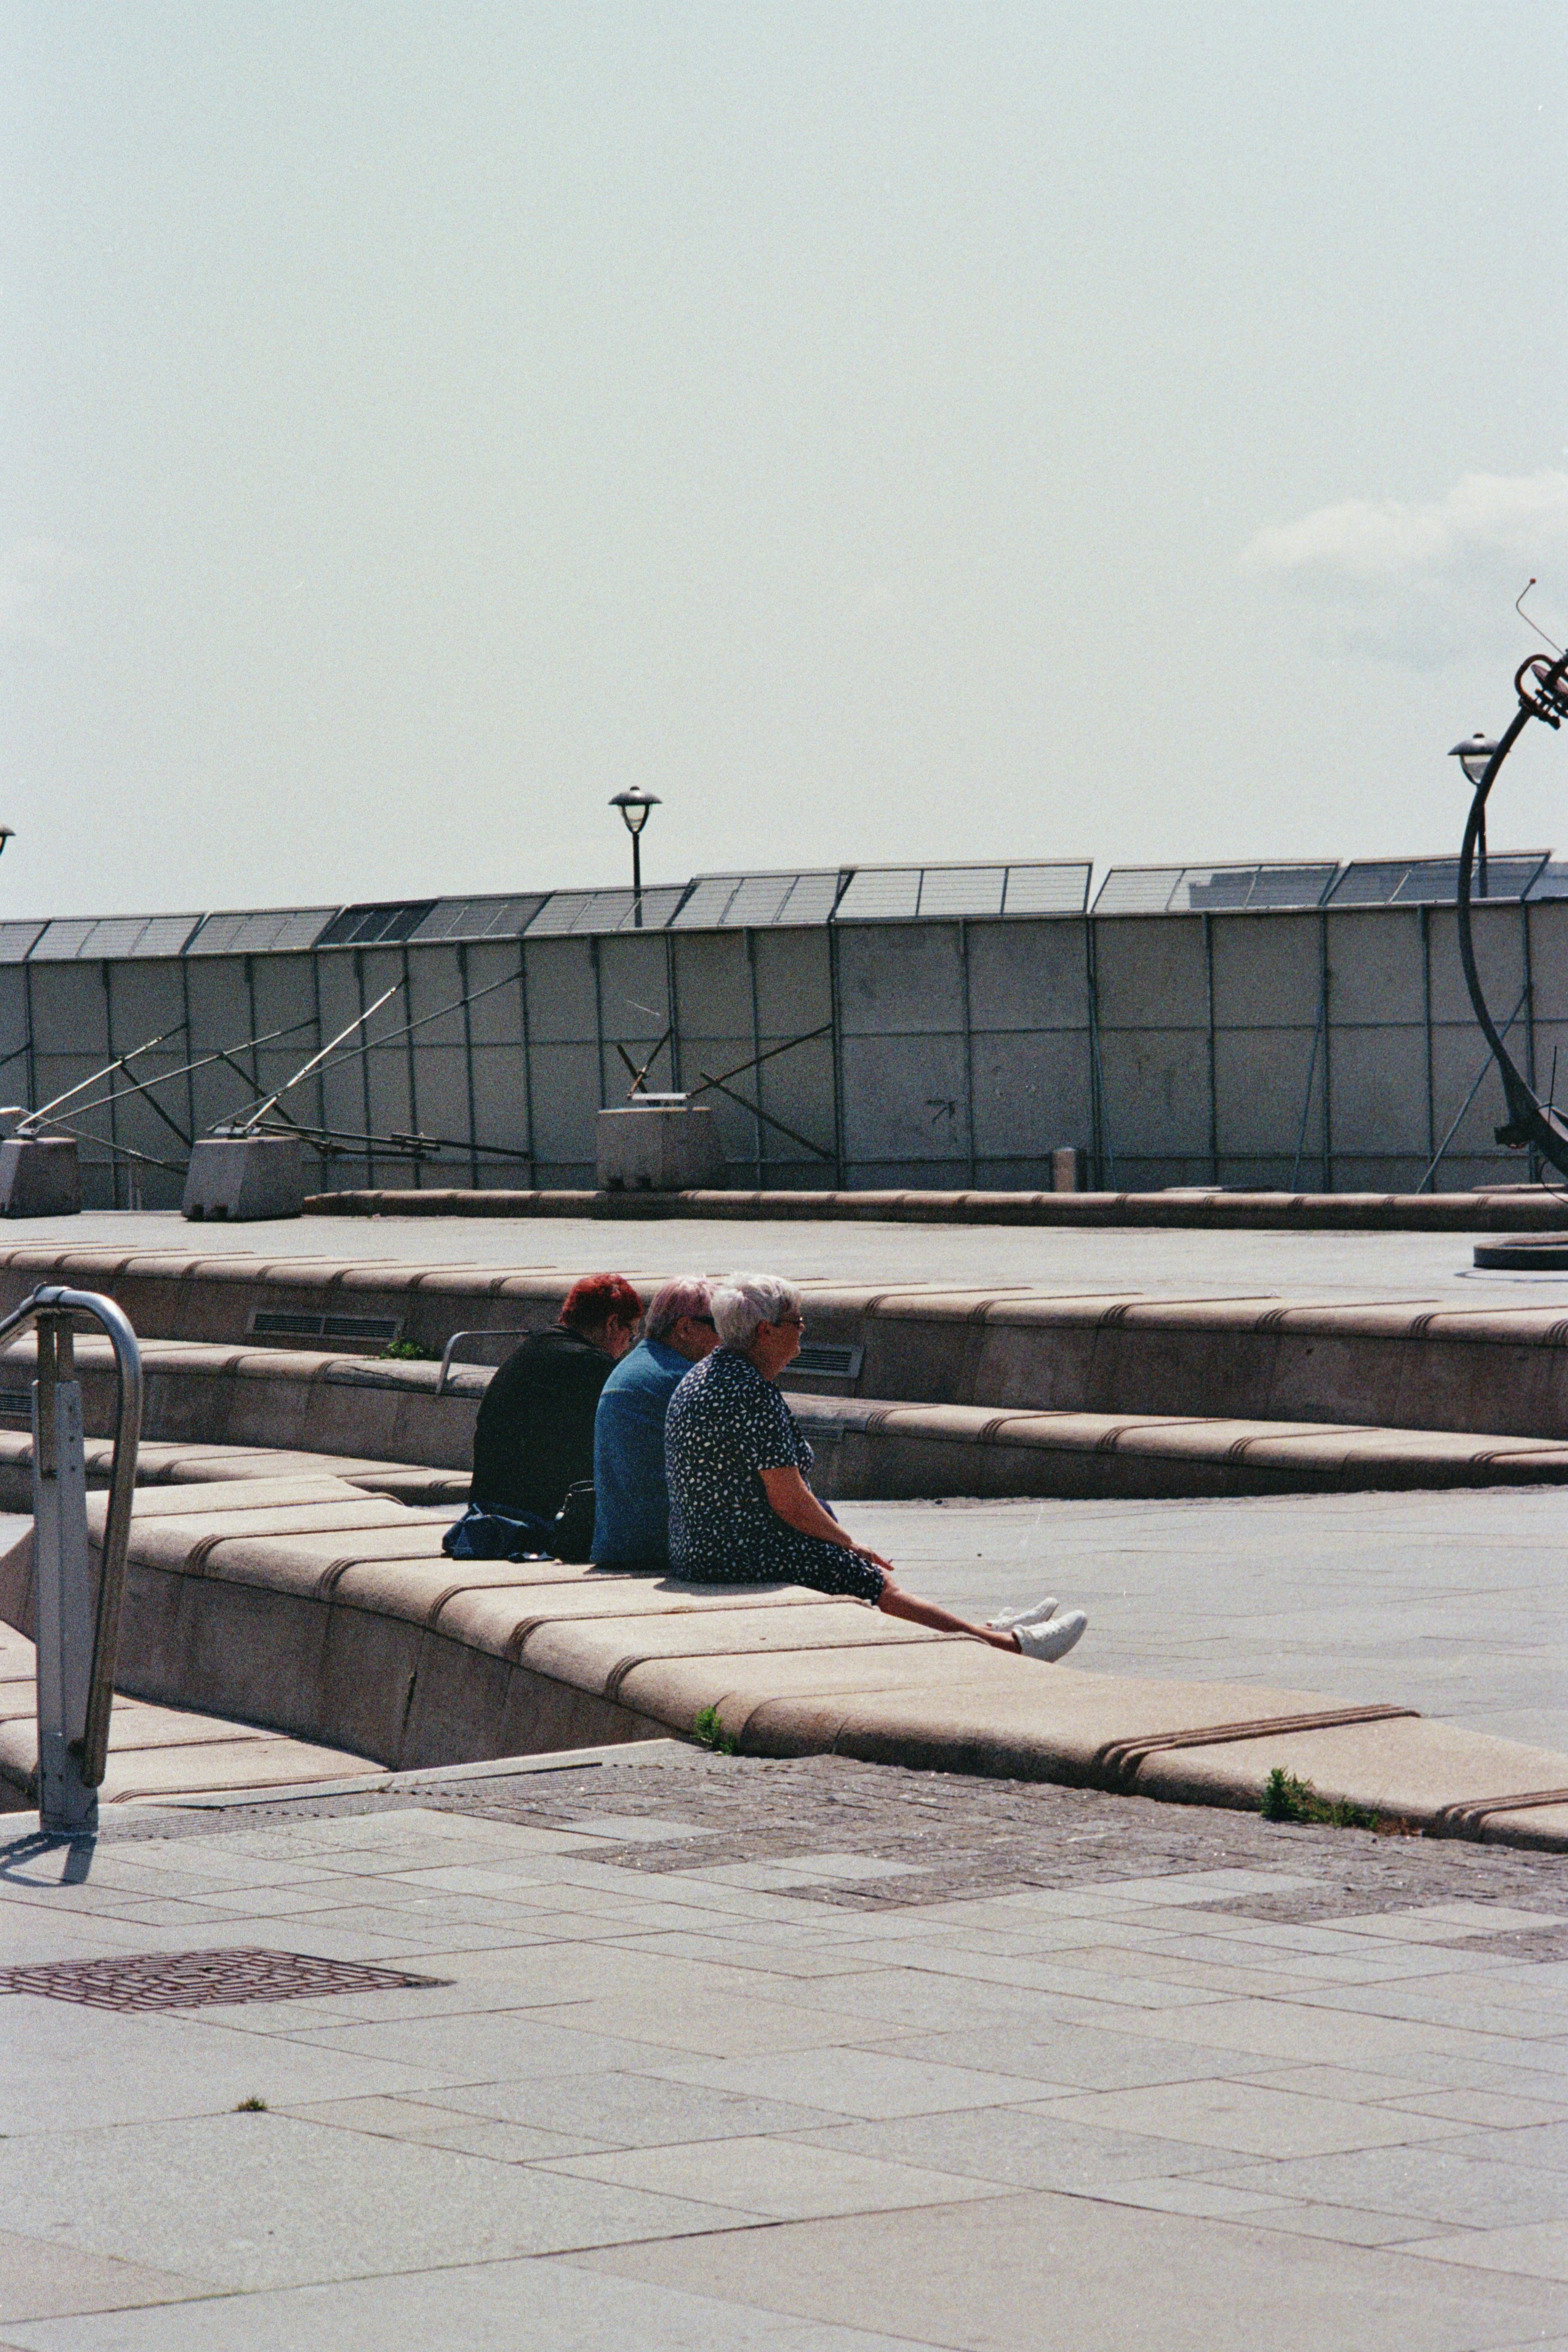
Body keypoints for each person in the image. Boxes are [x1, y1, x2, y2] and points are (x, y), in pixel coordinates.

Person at [665, 1272, 1088, 1661]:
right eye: (796, 1320)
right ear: (766, 1331)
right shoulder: (750, 1393)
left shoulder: (711, 1373)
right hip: (734, 1553)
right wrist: (848, 1543)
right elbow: (788, 1499)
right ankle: (1007, 1647)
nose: (803, 1329)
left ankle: (979, 1629)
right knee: (870, 1578)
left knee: (858, 1567)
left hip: (700, 1545)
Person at [467, 1273, 642, 1527]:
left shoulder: (533, 1348)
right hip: (539, 1519)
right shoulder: (592, 1367)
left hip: (489, 1507)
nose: (628, 1346)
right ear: (613, 1323)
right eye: (631, 1334)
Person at [591, 1277, 720, 1569]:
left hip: (619, 1542)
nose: (727, 1340)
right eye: (720, 1327)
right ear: (685, 1328)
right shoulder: (684, 1380)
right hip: (660, 1547)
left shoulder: (637, 1364)